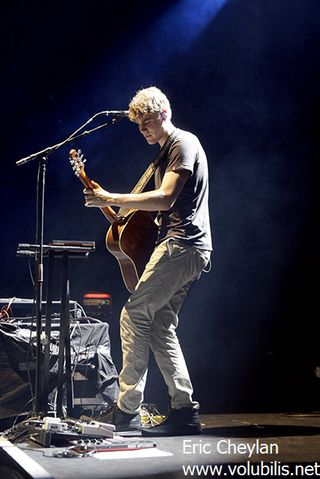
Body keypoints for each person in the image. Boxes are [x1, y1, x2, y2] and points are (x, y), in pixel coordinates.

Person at [83, 86, 212, 436]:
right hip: (187, 248)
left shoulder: (182, 143)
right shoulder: (165, 153)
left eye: (147, 123)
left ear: (164, 114)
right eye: (138, 126)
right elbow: (150, 210)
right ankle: (185, 410)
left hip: (182, 245)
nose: (143, 131)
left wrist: (112, 195)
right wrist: (110, 207)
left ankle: (127, 410)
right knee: (159, 326)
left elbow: (167, 198)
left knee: (134, 313)